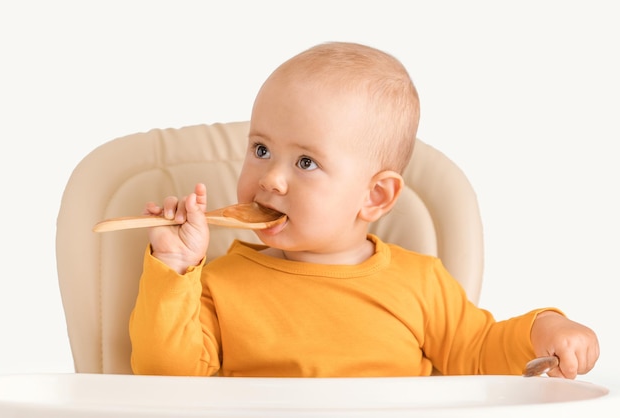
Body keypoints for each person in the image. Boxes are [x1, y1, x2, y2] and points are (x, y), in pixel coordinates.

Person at [129, 41, 599, 378]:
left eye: (306, 162)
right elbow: (168, 374)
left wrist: (545, 328)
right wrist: (175, 267)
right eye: (261, 150)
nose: (271, 177)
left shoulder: (421, 283)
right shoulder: (220, 282)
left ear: (375, 196)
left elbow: (478, 352)